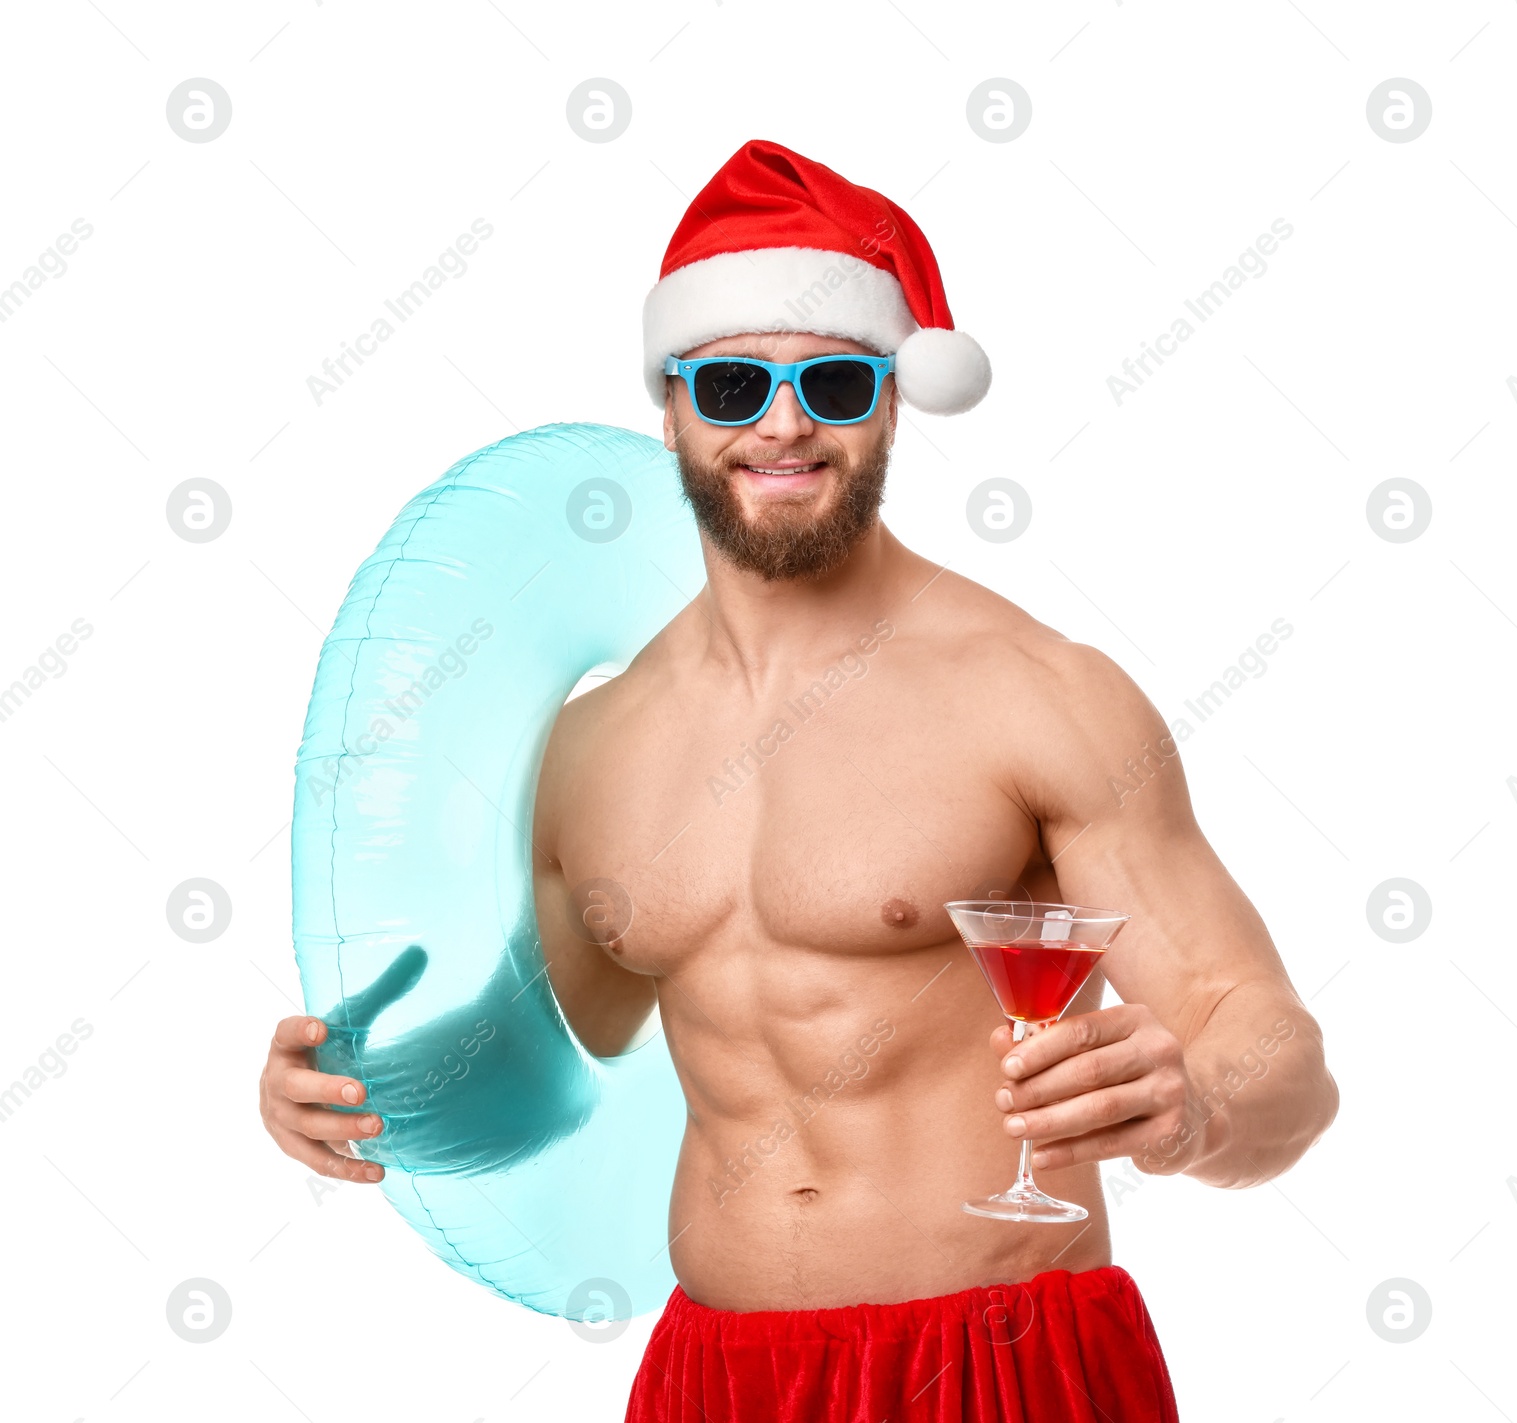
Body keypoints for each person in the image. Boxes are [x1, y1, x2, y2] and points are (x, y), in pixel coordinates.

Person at [260, 139, 1338, 1421]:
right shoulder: (596, 746)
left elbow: (1279, 1058)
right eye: (730, 384)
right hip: (714, 1374)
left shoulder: (1035, 693)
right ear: (669, 406)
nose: (781, 423)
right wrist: (361, 1093)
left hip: (997, 1364)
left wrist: (1191, 1117)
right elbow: (549, 1053)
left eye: (831, 380)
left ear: (890, 397)